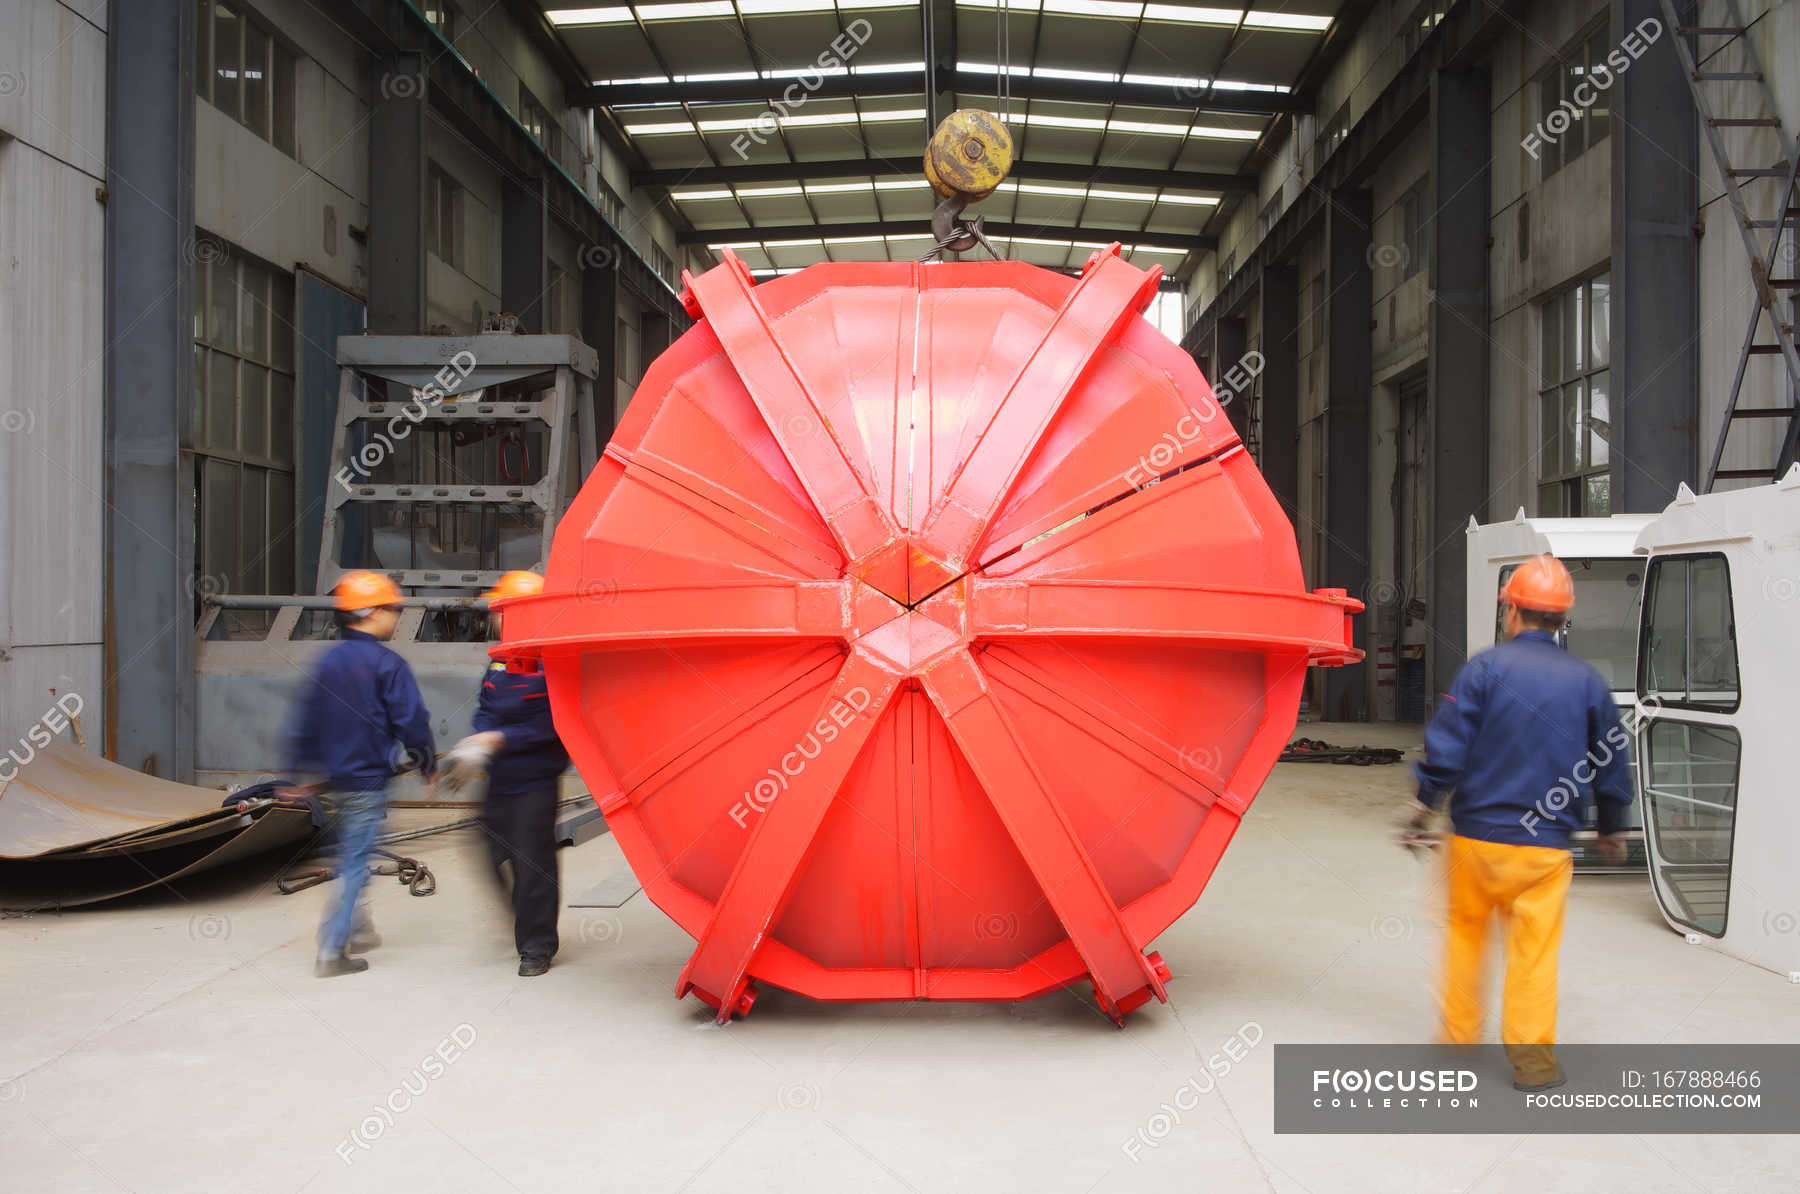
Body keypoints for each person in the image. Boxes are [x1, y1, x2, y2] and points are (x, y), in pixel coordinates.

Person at [1403, 553, 1633, 1092]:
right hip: (1545, 850)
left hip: (1474, 842)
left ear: (1512, 613)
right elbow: (1611, 758)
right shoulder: (1588, 682)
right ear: (1562, 619)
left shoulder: (1483, 670)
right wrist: (1611, 825)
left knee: (1465, 937)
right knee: (1534, 954)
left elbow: (1447, 749)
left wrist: (1424, 805)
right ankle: (1533, 1063)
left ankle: (1458, 1042)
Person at [285, 571, 436, 978]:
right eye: (392, 610)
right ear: (372, 613)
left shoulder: (328, 662)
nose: (396, 618)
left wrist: (300, 773)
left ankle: (358, 928)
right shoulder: (388, 664)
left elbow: (304, 721)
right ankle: (332, 950)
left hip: (335, 781)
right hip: (368, 781)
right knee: (354, 862)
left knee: (353, 854)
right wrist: (428, 766)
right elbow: (413, 723)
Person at [444, 570, 569, 977]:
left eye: (501, 609)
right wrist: (475, 745)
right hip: (500, 779)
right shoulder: (499, 662)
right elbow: (485, 708)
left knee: (533, 865)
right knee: (489, 851)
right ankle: (524, 917)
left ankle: (537, 947)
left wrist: (499, 740)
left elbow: (553, 726)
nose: (494, 617)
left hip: (535, 782)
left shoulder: (555, 665)